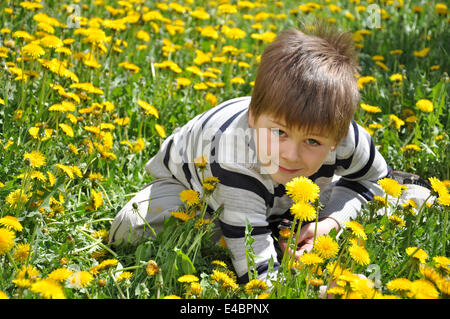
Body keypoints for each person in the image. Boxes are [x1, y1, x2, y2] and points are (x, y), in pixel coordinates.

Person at [109, 23, 432, 283]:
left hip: (296, 190)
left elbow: (374, 181)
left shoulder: (349, 138)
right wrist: (302, 287)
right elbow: (260, 277)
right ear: (253, 118)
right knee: (133, 229)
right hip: (196, 190)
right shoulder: (232, 155)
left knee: (398, 202)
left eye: (313, 142)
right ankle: (265, 226)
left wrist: (331, 223)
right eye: (279, 132)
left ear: (336, 138)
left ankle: (283, 223)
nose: (290, 155)